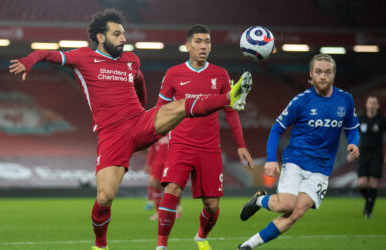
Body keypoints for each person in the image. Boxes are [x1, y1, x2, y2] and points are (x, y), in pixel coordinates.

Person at [8, 9, 253, 250]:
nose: (124, 39)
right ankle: (100, 245)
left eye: (124, 33)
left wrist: (144, 108)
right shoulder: (82, 57)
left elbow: (139, 80)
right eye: (117, 34)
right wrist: (28, 62)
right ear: (101, 37)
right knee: (104, 198)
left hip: (140, 122)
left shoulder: (132, 60)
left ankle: (229, 97)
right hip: (112, 134)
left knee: (179, 106)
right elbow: (44, 53)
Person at [236, 54, 360, 250]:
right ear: (311, 74)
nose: (322, 76)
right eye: (318, 72)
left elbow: (352, 127)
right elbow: (277, 128)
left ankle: (247, 246)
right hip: (296, 161)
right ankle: (259, 200)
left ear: (334, 75)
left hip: (321, 170)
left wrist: (354, 142)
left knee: (296, 213)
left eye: (327, 72)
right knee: (286, 205)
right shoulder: (301, 101)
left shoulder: (345, 100)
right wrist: (270, 158)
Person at [155, 24, 254, 250]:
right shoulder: (173, 73)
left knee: (211, 205)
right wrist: (155, 134)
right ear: (188, 46)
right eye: (198, 41)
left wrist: (241, 145)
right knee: (171, 190)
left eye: (207, 42)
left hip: (209, 148)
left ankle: (200, 237)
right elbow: (160, 108)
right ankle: (161, 246)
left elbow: (230, 109)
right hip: (180, 143)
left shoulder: (220, 74)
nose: (203, 46)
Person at [357, 95, 386, 218]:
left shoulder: (382, 120)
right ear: (366, 105)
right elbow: (353, 135)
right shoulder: (360, 119)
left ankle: (368, 211)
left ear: (378, 106)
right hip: (363, 153)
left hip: (376, 154)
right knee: (361, 183)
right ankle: (369, 199)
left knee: (373, 182)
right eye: (370, 103)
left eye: (375, 103)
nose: (372, 105)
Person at [144, 135, 182, 220]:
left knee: (173, 185)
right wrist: (149, 164)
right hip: (158, 161)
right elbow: (152, 149)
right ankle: (158, 212)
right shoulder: (157, 132)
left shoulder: (174, 131)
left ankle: (177, 209)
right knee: (155, 183)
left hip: (171, 160)